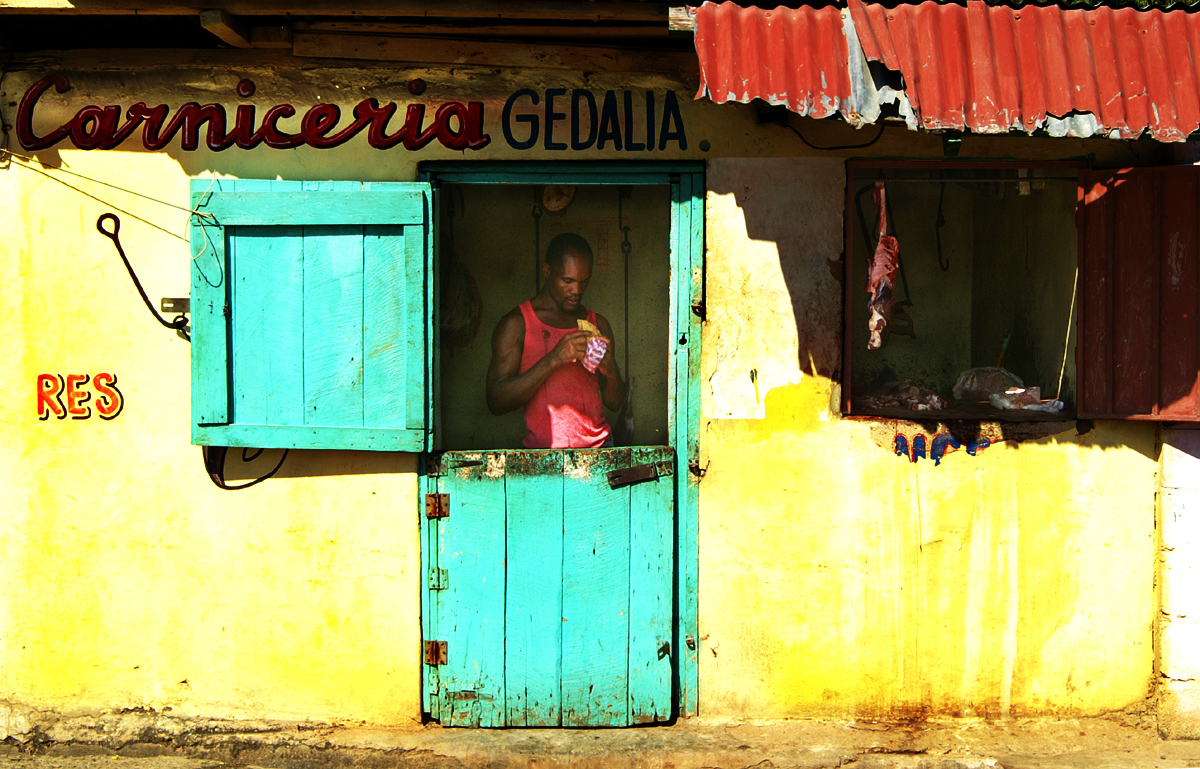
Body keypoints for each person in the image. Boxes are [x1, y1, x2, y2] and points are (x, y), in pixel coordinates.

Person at [486, 233, 626, 449]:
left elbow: (615, 404)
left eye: (584, 281)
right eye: (567, 281)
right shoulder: (517, 324)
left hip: (601, 450)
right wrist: (555, 358)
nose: (576, 291)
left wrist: (611, 372)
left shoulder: (598, 324)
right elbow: (496, 401)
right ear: (548, 271)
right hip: (543, 458)